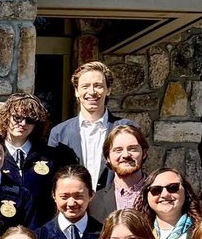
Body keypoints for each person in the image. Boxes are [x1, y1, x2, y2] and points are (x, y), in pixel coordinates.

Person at [47, 62, 137, 191]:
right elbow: (54, 177)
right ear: (76, 91)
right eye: (85, 86)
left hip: (116, 206)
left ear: (108, 90)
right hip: (74, 206)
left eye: (98, 86)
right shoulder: (59, 133)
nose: (92, 92)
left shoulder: (127, 128)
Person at [0, 93, 67, 228]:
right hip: (2, 233)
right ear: (7, 118)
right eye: (17, 118)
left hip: (40, 231)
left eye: (30, 120)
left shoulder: (49, 156)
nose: (23, 123)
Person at [135, 167, 202, 239]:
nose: (164, 194)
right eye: (156, 190)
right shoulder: (139, 234)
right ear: (146, 195)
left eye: (172, 188)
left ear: (186, 191)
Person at [88, 124, 149, 222]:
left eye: (132, 148)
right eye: (118, 150)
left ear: (144, 153)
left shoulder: (159, 193)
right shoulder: (94, 202)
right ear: (108, 157)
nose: (125, 155)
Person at [35, 164, 103, 239]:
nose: (71, 203)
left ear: (91, 195)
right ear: (54, 195)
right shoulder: (39, 237)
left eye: (78, 196)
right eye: (64, 197)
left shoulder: (104, 234)